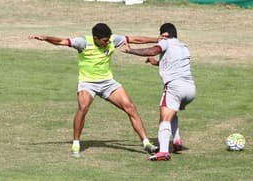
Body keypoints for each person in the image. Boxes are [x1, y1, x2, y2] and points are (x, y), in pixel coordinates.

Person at [29, 23, 159, 158]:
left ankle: (146, 143)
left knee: (130, 107)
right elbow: (61, 41)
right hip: (87, 83)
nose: (108, 42)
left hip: (108, 83)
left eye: (108, 40)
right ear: (96, 38)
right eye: (104, 41)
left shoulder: (112, 40)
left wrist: (157, 40)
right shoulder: (83, 43)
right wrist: (45, 38)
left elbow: (134, 39)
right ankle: (76, 143)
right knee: (83, 107)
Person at [122, 23, 196, 161]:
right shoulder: (183, 47)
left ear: (165, 35)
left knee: (164, 118)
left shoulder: (165, 42)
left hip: (175, 87)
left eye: (160, 36)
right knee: (172, 112)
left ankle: (163, 152)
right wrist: (155, 63)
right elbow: (173, 64)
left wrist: (130, 50)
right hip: (190, 89)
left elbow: (152, 50)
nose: (159, 39)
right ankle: (177, 141)